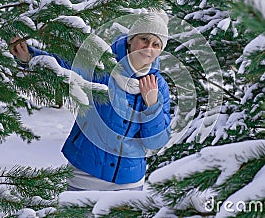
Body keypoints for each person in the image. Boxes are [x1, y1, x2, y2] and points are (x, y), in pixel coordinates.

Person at [9, 12, 171, 191]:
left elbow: (155, 142)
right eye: (144, 39)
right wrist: (30, 57)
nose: (148, 47)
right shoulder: (103, 64)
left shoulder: (159, 86)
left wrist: (152, 105)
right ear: (131, 40)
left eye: (156, 44)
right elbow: (65, 67)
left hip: (129, 183)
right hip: (84, 175)